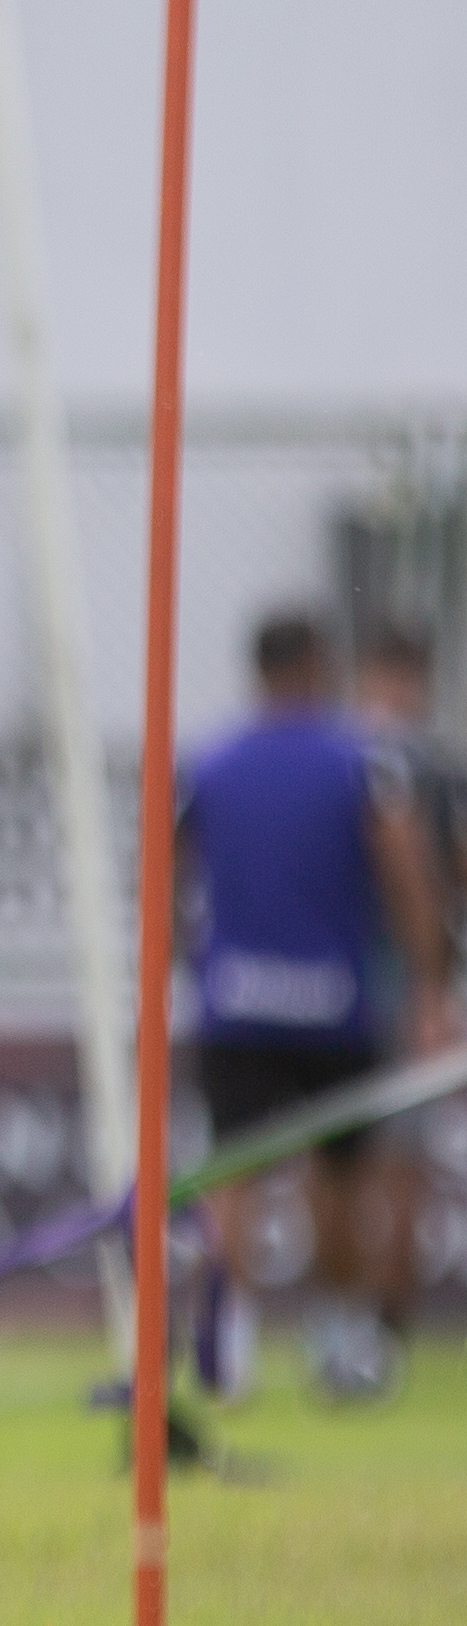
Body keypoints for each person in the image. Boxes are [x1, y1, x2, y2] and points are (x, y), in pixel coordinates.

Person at [179, 611, 452, 1432]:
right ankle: (334, 1334)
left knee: (232, 1170)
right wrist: (431, 981)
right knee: (338, 1175)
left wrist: (167, 965)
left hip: (234, 999)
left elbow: (161, 868)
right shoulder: (358, 762)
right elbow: (404, 872)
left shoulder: (210, 762)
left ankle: (227, 1337)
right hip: (332, 1005)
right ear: (315, 666)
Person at [333, 620, 463, 1396]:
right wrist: (436, 982)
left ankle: (354, 1323)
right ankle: (381, 1332)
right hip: (413, 986)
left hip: (352, 987)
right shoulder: (435, 765)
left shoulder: (348, 756)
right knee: (398, 1164)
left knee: (354, 1165)